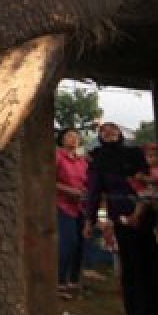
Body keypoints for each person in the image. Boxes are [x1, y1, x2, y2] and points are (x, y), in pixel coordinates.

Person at [83, 122, 158, 315]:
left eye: (113, 129)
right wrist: (90, 219)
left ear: (120, 133)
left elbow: (152, 177)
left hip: (150, 216)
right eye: (104, 131)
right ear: (100, 137)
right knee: (133, 269)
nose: (109, 132)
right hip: (122, 218)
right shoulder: (97, 161)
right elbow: (93, 192)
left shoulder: (134, 153)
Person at [54, 127, 88, 297]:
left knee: (81, 243)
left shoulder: (82, 161)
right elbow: (48, 179)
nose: (73, 139)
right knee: (69, 242)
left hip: (81, 207)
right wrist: (69, 190)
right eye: (69, 136)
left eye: (76, 136)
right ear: (62, 139)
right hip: (62, 205)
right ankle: (58, 282)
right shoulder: (57, 156)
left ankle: (73, 281)